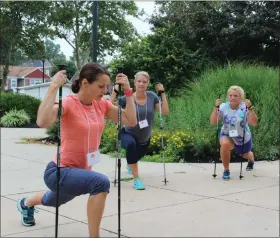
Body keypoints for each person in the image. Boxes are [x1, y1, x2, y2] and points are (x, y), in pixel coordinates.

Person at [17, 62, 137, 237]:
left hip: (81, 172)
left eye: (107, 86)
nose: (105, 90)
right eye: (101, 86)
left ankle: (25, 203)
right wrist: (53, 86)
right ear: (85, 83)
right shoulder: (68, 103)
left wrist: (128, 91)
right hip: (59, 171)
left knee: (52, 200)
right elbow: (42, 121)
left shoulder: (101, 104)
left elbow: (130, 120)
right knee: (101, 183)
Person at [110, 71, 169, 190]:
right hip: (127, 132)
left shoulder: (152, 96)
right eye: (139, 81)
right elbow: (107, 107)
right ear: (134, 82)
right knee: (131, 145)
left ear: (148, 84)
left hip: (144, 138)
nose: (141, 84)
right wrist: (115, 91)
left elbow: (165, 112)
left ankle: (130, 162)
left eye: (144, 82)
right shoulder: (126, 98)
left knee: (135, 156)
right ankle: (137, 179)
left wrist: (162, 93)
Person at [210, 85, 258, 180]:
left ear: (241, 97)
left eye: (236, 96)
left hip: (242, 137)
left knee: (244, 155)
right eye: (231, 95)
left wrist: (250, 108)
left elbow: (254, 122)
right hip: (227, 133)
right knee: (225, 144)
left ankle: (251, 159)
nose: (232, 97)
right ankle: (226, 170)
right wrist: (216, 107)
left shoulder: (244, 107)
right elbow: (213, 122)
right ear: (228, 96)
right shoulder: (223, 107)